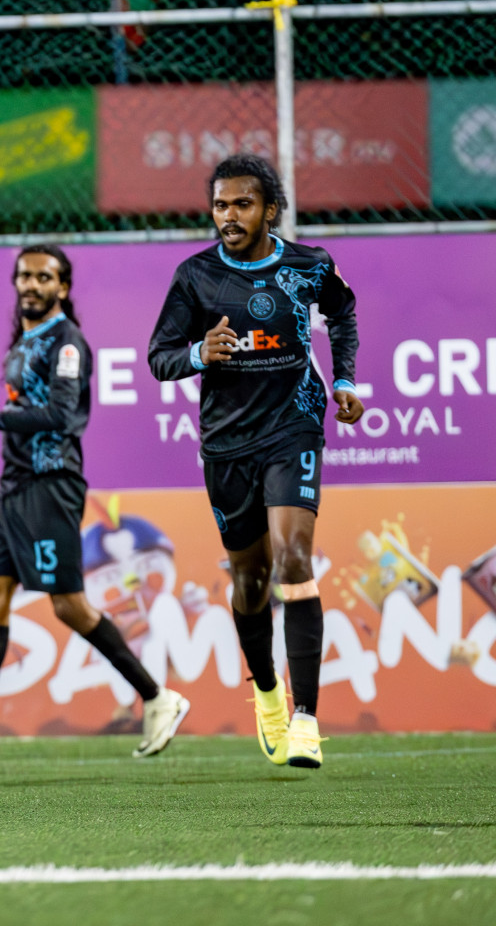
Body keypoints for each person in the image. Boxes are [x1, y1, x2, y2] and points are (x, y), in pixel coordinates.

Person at [0, 244, 190, 760]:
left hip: (50, 485)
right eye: (24, 276)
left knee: (69, 606)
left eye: (44, 277)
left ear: (62, 287)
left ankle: (159, 697)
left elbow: (61, 415)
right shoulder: (24, 343)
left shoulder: (68, 343)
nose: (30, 285)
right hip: (14, 489)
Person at [148, 153, 361, 770]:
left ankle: (306, 720)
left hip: (293, 426)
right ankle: (266, 690)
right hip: (225, 444)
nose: (229, 216)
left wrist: (344, 380)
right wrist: (197, 354)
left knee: (295, 558)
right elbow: (159, 357)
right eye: (220, 205)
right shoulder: (194, 277)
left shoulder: (308, 264)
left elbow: (342, 311)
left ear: (270, 209)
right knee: (250, 580)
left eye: (242, 204)